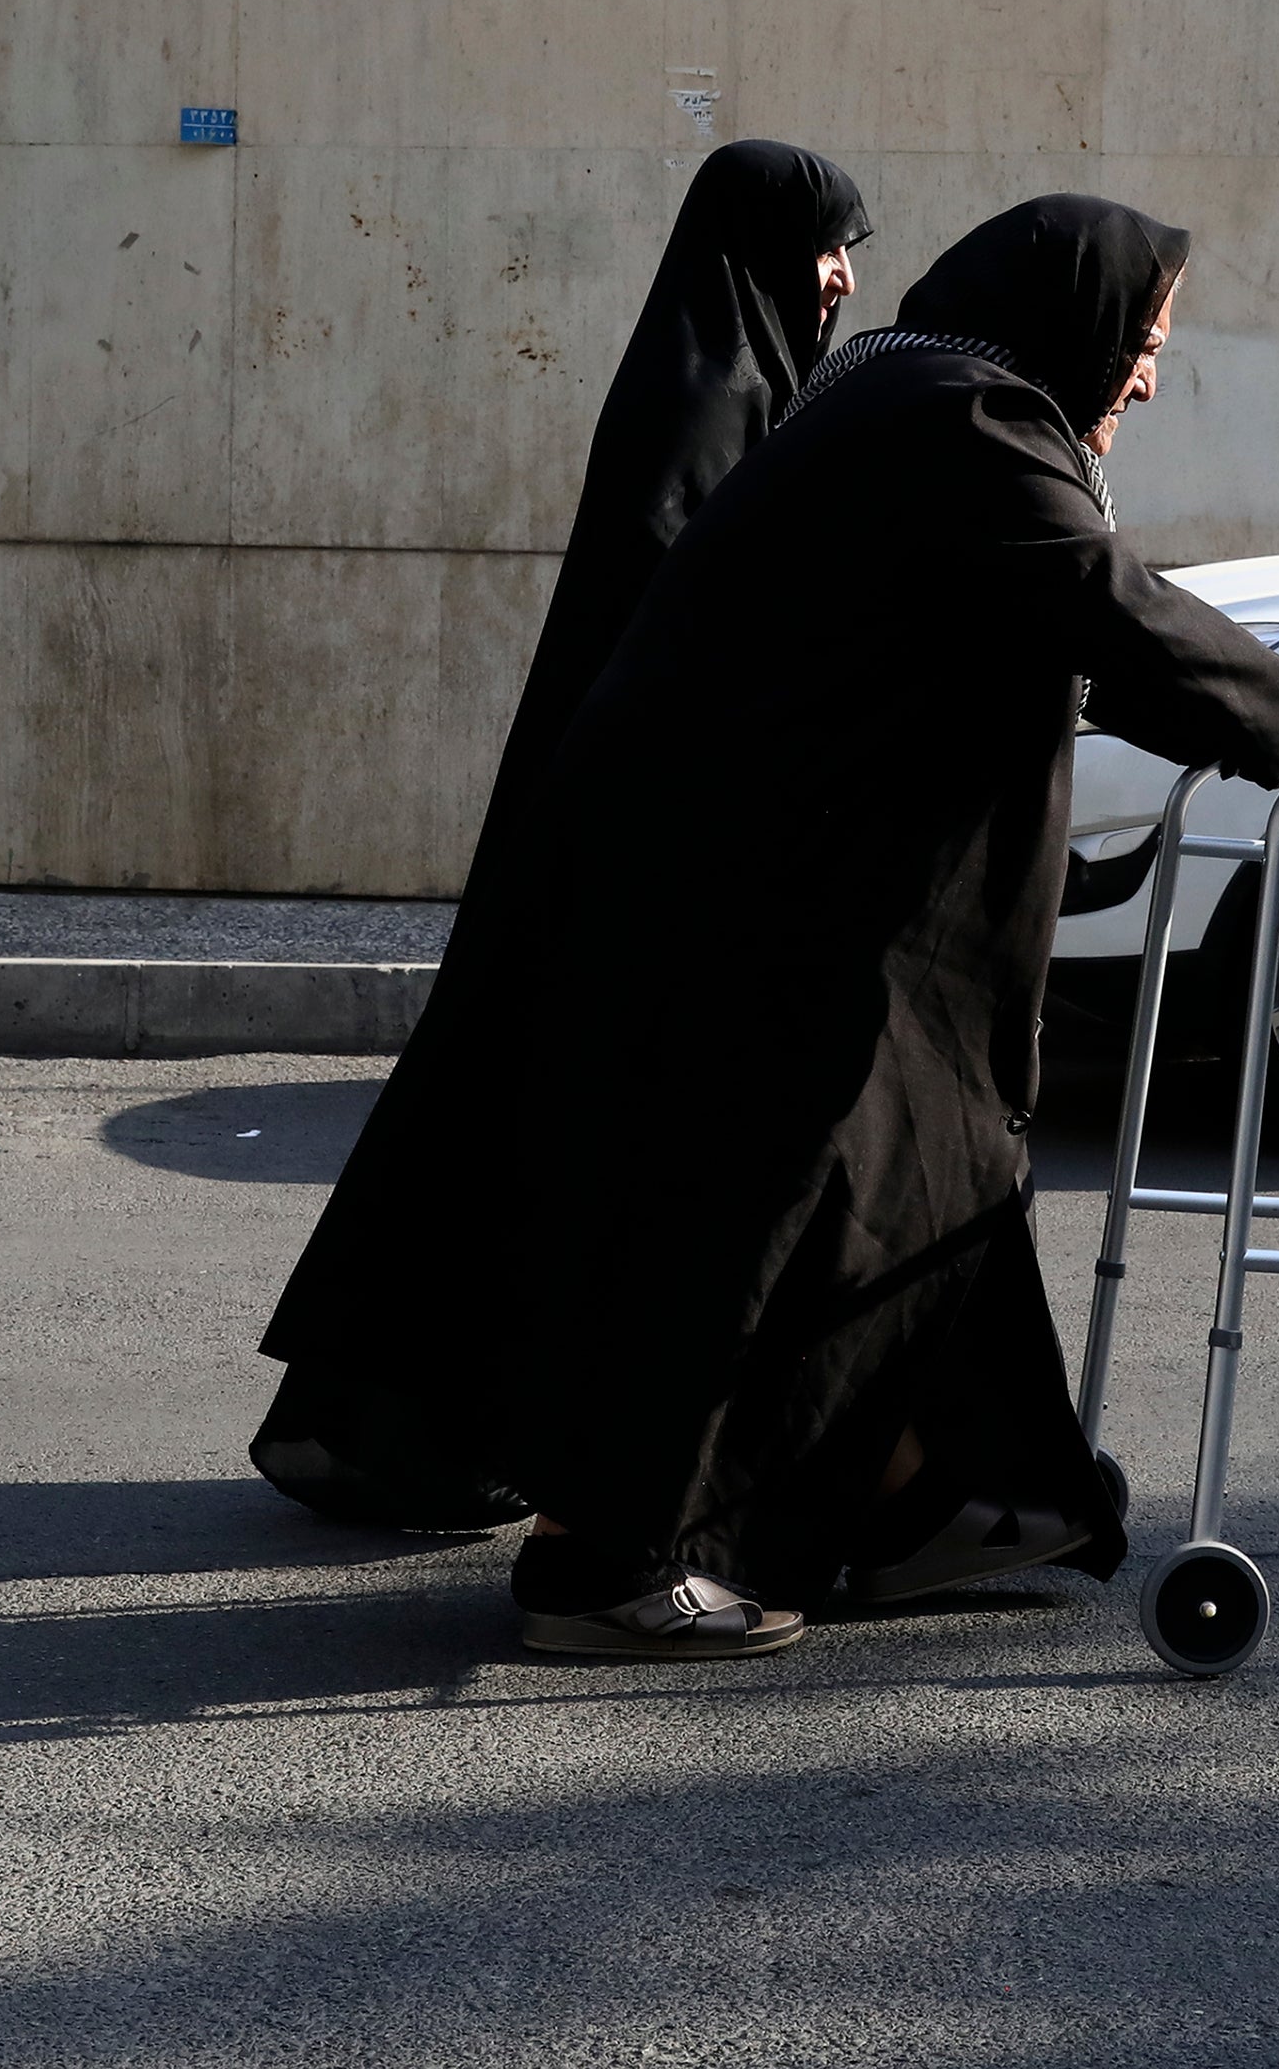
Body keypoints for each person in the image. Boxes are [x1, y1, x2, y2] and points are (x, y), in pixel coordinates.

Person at [472, 193, 1279, 1660]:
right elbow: (1095, 599)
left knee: (927, 1171)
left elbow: (1059, 614)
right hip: (757, 895)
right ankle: (598, 1562)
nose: (1147, 375)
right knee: (760, 1213)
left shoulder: (917, 386)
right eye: (1144, 339)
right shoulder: (964, 415)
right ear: (1072, 313)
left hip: (762, 877)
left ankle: (958, 1490)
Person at [251, 138, 876, 1526]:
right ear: (763, 246)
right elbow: (688, 634)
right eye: (829, 243)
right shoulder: (710, 401)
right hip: (634, 848)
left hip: (627, 832)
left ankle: (442, 1430)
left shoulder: (737, 382)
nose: (840, 274)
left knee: (528, 1129)